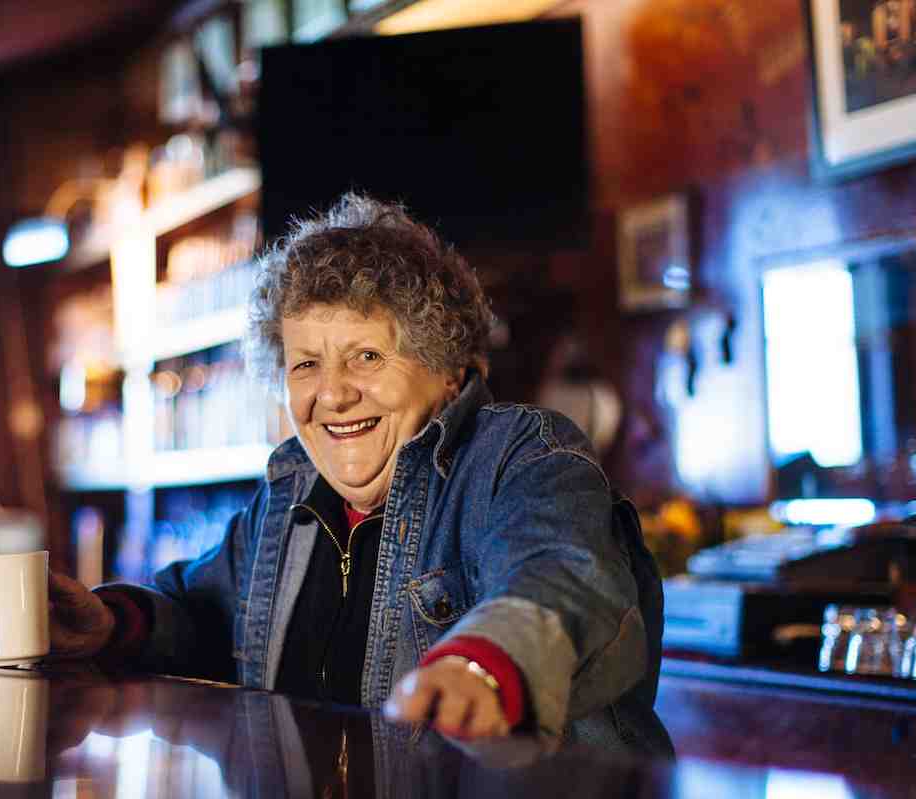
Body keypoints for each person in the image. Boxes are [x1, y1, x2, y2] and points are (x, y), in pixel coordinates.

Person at [47, 193, 664, 748]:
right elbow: (202, 614)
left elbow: (563, 580)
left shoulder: (519, 456)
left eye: (366, 356)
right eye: (305, 365)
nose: (333, 395)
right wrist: (110, 623)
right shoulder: (288, 497)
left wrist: (484, 665)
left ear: (449, 372)